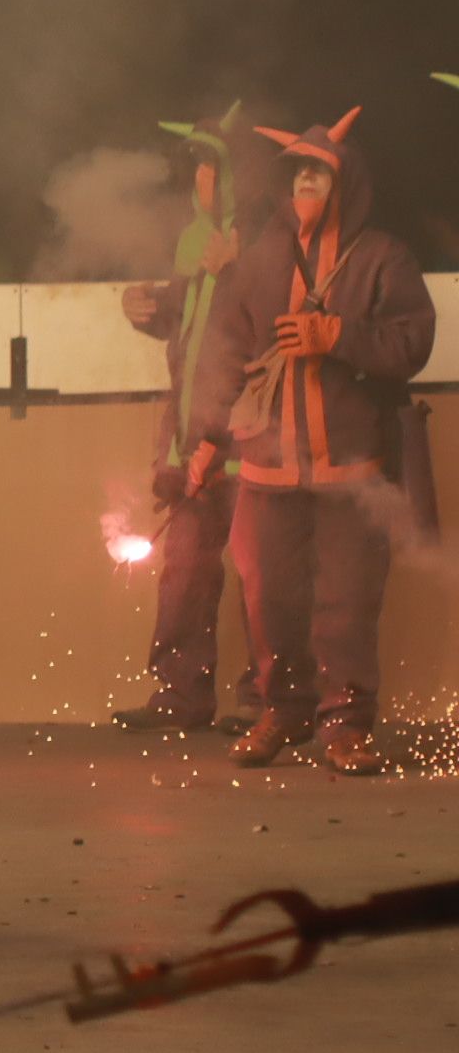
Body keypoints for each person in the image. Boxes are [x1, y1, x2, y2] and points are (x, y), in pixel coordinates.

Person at [185, 110, 436, 777]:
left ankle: (346, 725)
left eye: (317, 175)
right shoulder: (260, 261)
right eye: (296, 174)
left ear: (345, 184)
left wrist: (338, 339)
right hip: (268, 470)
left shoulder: (384, 255)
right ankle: (282, 711)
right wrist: (207, 444)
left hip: (353, 470)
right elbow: (224, 356)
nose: (304, 184)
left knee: (348, 602)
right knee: (270, 598)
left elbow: (413, 343)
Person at [113, 109, 271, 733]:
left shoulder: (263, 240)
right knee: (182, 573)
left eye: (212, 167)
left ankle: (267, 702)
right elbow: (190, 330)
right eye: (198, 167)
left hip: (247, 445)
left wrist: (217, 440)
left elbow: (252, 348)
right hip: (192, 444)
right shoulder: (192, 241)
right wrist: (149, 310)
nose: (200, 179)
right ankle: (181, 695)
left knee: (263, 579)